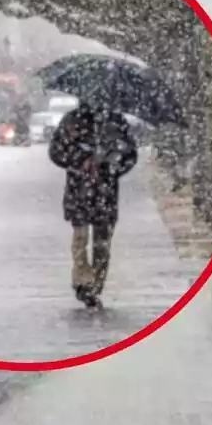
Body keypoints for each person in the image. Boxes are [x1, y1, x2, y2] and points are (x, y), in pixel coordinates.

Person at [48, 99, 139, 309]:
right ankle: (82, 279)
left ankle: (95, 285)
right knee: (80, 238)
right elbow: (56, 152)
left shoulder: (115, 122)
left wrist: (108, 165)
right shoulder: (72, 120)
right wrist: (81, 160)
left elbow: (129, 155)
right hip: (79, 189)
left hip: (104, 191)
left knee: (102, 242)